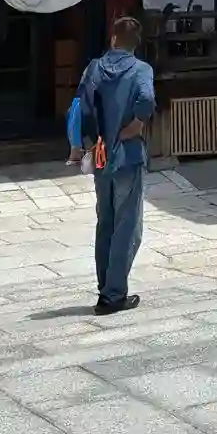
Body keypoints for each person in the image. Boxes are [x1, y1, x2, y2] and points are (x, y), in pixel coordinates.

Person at [71, 16, 156, 314]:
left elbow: (81, 106)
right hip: (127, 156)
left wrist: (89, 141)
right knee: (127, 225)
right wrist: (133, 126)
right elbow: (146, 100)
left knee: (105, 222)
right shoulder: (142, 70)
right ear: (136, 44)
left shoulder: (94, 68)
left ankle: (104, 287)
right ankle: (114, 294)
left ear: (114, 39)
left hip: (100, 155)